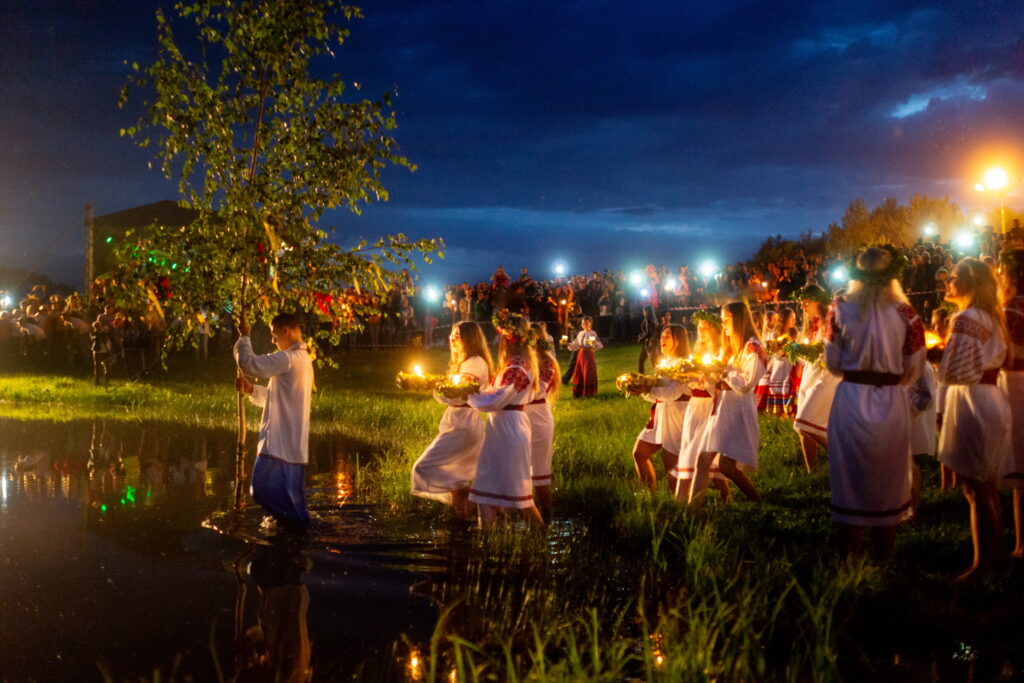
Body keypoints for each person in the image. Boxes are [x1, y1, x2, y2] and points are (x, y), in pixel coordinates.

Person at [824, 245, 924, 560]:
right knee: (889, 478)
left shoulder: (840, 307)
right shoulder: (907, 313)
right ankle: (884, 560)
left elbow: (832, 360)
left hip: (851, 398)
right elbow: (914, 366)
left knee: (849, 477)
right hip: (891, 400)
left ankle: (848, 561)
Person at [938, 257, 1011, 580]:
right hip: (990, 398)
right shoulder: (991, 317)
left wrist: (936, 356)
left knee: (976, 488)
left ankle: (982, 567)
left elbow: (957, 371)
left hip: (973, 401)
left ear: (969, 283)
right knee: (985, 486)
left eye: (953, 277)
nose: (947, 283)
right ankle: (990, 560)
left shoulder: (966, 318)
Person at [234, 313, 314, 527]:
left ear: (285, 330)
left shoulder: (288, 358)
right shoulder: (303, 359)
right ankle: (293, 531)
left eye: (273, 334)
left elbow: (249, 364)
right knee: (291, 502)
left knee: (260, 490)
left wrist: (244, 338)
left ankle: (294, 530)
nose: (272, 340)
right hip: (291, 446)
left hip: (279, 444)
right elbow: (277, 398)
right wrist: (251, 390)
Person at [468, 312, 544, 528]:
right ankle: (487, 542)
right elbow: (493, 394)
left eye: (501, 335)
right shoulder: (513, 365)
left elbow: (497, 399)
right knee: (487, 489)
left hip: (509, 429)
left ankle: (540, 538)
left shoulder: (517, 367)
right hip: (502, 427)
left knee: (520, 495)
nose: (498, 340)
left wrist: (468, 395)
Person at [410, 321, 492, 518]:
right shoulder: (463, 363)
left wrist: (434, 386)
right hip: (456, 421)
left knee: (423, 467)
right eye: (451, 335)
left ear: (469, 339)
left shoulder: (474, 362)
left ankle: (481, 504)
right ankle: (464, 521)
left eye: (457, 336)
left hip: (464, 424)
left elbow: (458, 394)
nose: (452, 339)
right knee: (457, 480)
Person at [691, 301, 765, 506]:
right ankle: (692, 510)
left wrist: (723, 370)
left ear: (739, 321)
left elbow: (746, 384)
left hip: (738, 410)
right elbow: (719, 380)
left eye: (727, 321)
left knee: (726, 465)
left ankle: (758, 501)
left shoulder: (752, 347)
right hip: (722, 407)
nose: (723, 326)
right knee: (704, 460)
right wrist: (707, 374)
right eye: (722, 321)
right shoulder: (730, 350)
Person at [674, 312, 731, 502]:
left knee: (698, 452)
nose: (701, 329)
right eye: (699, 326)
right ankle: (725, 495)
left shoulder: (720, 354)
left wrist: (705, 376)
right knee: (692, 449)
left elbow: (718, 382)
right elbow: (690, 383)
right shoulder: (696, 353)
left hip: (710, 406)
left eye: (705, 325)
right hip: (694, 408)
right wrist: (686, 376)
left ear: (715, 329)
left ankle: (685, 500)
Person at [632, 324, 691, 493]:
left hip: (676, 415)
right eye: (662, 336)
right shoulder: (665, 362)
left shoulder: (684, 364)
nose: (661, 339)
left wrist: (649, 390)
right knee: (640, 453)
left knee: (671, 465)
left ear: (678, 340)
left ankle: (682, 503)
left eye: (667, 336)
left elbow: (674, 392)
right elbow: (657, 393)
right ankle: (649, 494)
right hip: (660, 414)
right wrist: (642, 390)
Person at [792, 285, 840, 473]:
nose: (802, 307)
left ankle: (843, 458)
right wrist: (793, 352)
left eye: (806, 302)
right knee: (803, 429)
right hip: (810, 375)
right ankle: (812, 473)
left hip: (826, 376)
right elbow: (810, 354)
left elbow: (831, 350)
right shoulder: (812, 324)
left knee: (804, 423)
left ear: (817, 300)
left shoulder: (831, 319)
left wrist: (810, 352)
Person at [1000, 249, 1024, 558]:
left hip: (1018, 384)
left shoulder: (1008, 309)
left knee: (1020, 466)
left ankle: (1021, 545)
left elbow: (1002, 351)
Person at [527, 322, 560, 519]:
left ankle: (547, 518)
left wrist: (516, 389)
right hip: (522, 419)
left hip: (539, 420)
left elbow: (539, 390)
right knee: (522, 474)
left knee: (540, 474)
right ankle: (531, 516)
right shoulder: (523, 361)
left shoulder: (547, 363)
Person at [567, 316, 602, 398]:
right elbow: (576, 344)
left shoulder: (593, 333)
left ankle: (588, 392)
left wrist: (594, 344)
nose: (584, 325)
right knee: (579, 372)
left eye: (586, 323)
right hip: (581, 354)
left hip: (589, 354)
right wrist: (568, 344)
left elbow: (599, 344)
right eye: (583, 323)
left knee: (588, 372)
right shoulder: (580, 333)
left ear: (590, 324)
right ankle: (578, 392)